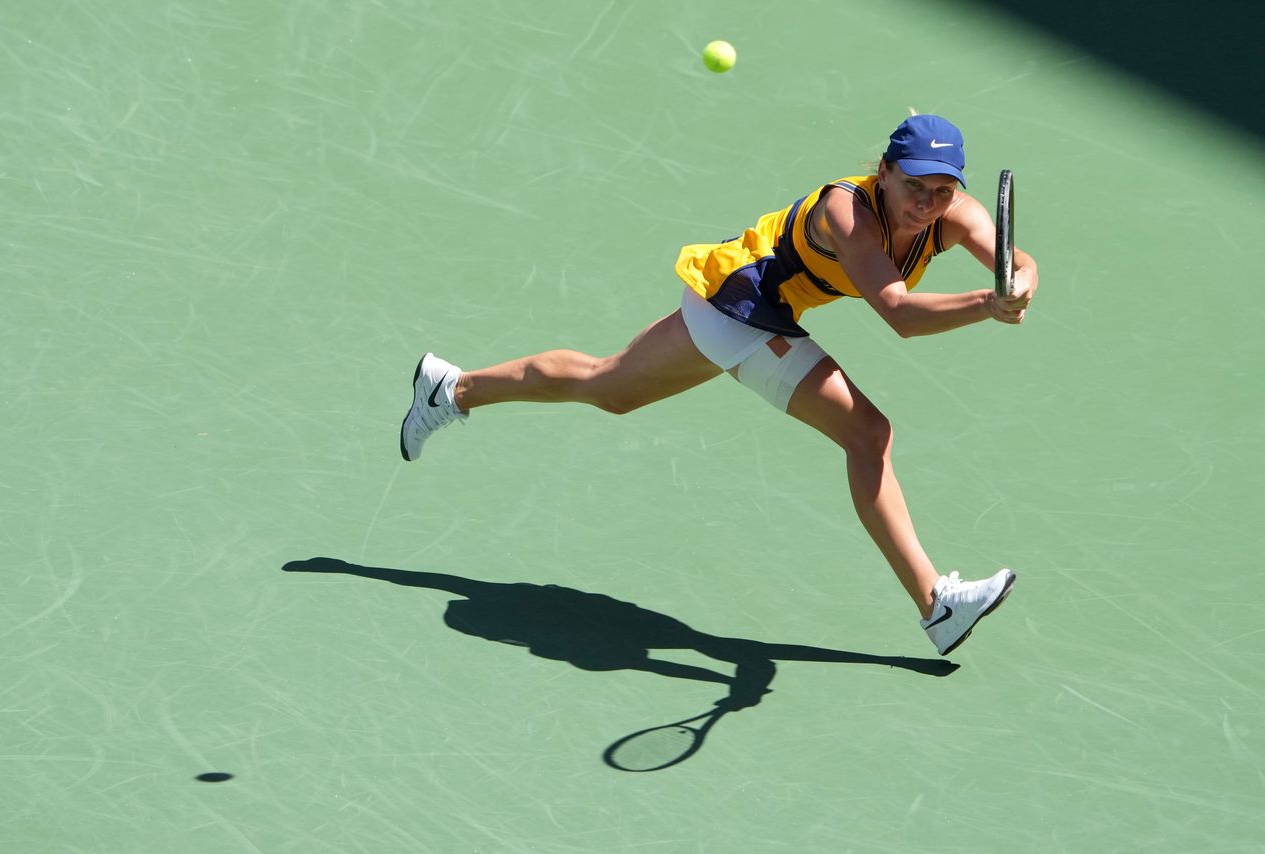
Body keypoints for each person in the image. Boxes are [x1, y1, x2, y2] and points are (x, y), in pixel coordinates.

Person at [399, 114, 1039, 656]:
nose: (926, 204)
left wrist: (1020, 279)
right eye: (913, 186)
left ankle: (451, 389)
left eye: (942, 191)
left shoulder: (952, 215)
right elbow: (898, 313)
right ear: (884, 171)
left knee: (609, 386)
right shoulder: (851, 213)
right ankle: (936, 604)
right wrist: (988, 303)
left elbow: (1018, 259)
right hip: (741, 304)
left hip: (747, 304)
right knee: (867, 433)